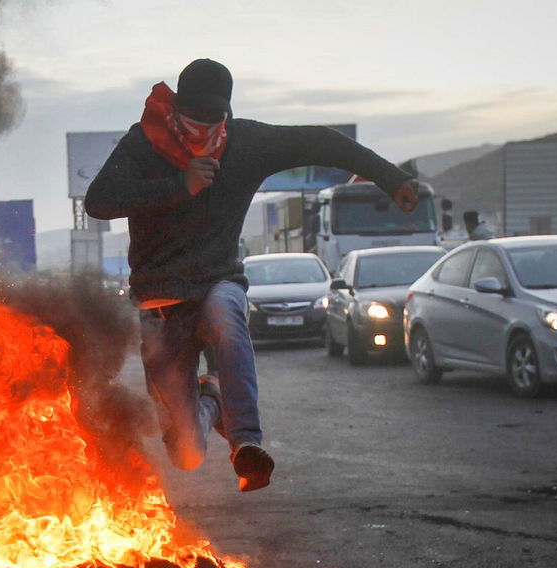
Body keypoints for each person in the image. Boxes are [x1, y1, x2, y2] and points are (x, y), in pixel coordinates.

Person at [84, 58, 417, 491]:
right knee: (186, 454)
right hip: (159, 303)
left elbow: (321, 142)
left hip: (216, 282)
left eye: (213, 118)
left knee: (226, 318)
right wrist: (178, 186)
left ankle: (245, 444)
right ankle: (212, 398)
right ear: (177, 109)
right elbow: (99, 200)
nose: (202, 127)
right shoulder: (146, 141)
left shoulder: (245, 143)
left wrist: (391, 179)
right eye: (193, 117)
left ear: (227, 114)